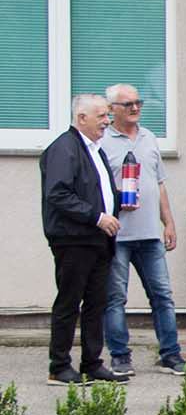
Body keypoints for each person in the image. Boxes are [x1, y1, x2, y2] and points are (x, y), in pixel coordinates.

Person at [99, 82, 185, 377]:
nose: (135, 108)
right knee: (115, 299)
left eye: (138, 103)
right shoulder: (102, 141)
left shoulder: (149, 138)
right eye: (128, 104)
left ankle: (171, 355)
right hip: (117, 235)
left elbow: (159, 184)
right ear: (112, 110)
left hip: (149, 234)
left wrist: (168, 222)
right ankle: (120, 356)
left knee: (162, 296)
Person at [41, 93, 123, 385]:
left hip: (98, 240)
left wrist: (117, 202)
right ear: (81, 118)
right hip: (73, 240)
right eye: (101, 116)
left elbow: (94, 189)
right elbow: (58, 194)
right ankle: (59, 366)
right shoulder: (64, 148)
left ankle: (92, 363)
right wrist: (97, 217)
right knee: (69, 302)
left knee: (96, 304)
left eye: (107, 115)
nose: (107, 121)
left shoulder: (94, 149)